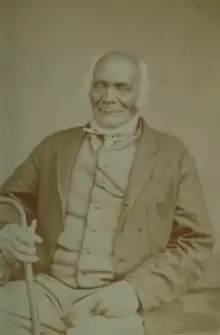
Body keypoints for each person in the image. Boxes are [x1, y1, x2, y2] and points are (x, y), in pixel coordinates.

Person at [0, 51, 215, 335]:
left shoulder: (172, 156)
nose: (108, 97)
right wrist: (8, 230)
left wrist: (135, 291)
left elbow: (195, 242)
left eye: (122, 88)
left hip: (121, 299)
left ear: (141, 94)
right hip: (46, 290)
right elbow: (8, 201)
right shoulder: (55, 146)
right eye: (100, 85)